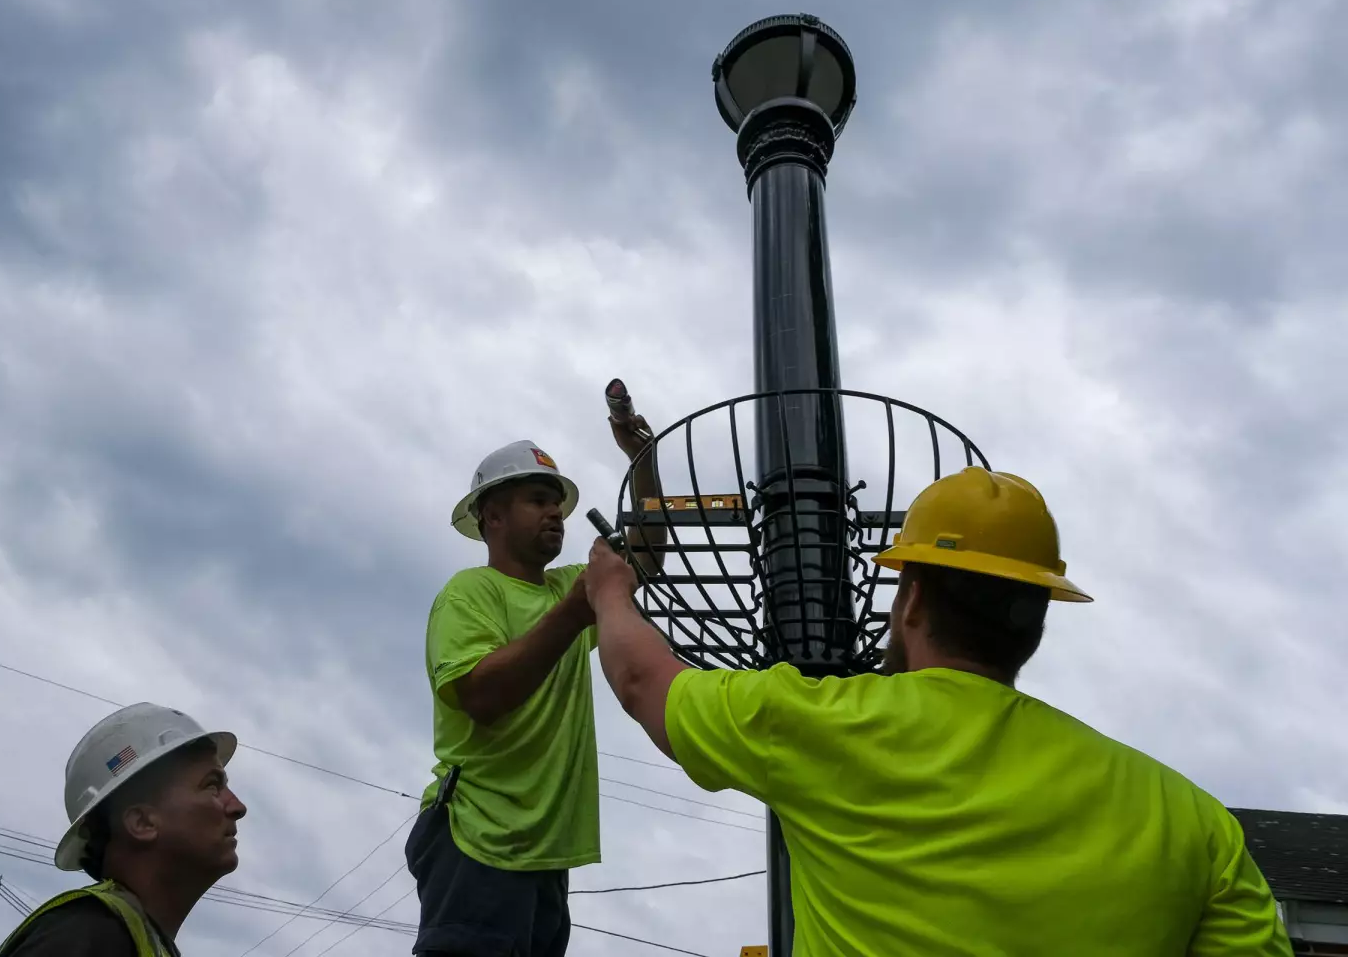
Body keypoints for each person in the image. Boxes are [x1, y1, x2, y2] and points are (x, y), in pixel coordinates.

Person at [586, 466, 1292, 956]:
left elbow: (646, 684)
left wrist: (610, 591)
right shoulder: (1196, 823)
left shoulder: (819, 724)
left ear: (913, 600)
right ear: (1035, 623)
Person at [409, 410, 659, 957]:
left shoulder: (568, 590)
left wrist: (644, 463)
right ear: (491, 516)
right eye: (538, 500)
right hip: (479, 840)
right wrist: (572, 613)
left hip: (544, 853)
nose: (556, 513)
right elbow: (481, 695)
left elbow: (647, 556)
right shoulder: (470, 594)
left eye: (558, 502)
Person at [0, 703, 246, 957]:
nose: (238, 806)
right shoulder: (87, 934)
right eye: (212, 786)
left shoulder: (122, 939)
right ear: (143, 823)